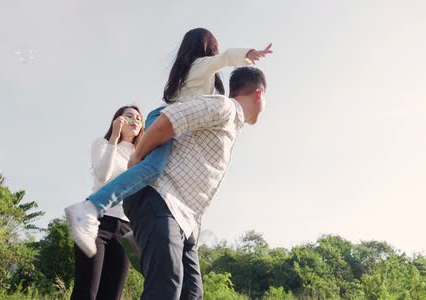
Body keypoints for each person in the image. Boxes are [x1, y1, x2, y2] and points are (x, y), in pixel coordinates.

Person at [65, 28, 272, 257]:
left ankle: (137, 233)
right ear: (207, 48)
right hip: (165, 119)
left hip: (169, 121)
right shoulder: (201, 65)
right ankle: (91, 207)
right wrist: (249, 54)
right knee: (153, 168)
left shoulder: (187, 71)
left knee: (157, 175)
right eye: (215, 48)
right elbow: (223, 59)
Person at [123, 66, 267, 299]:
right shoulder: (224, 107)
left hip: (187, 219)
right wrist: (137, 157)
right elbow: (169, 117)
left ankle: (145, 238)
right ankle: (146, 235)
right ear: (259, 94)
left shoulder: (231, 125)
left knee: (191, 294)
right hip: (161, 199)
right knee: (164, 290)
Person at [70, 106, 144, 300]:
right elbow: (103, 176)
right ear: (118, 120)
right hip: (96, 221)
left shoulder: (143, 158)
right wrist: (114, 137)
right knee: (87, 292)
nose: (134, 119)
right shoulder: (103, 144)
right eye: (129, 116)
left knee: (112, 294)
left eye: (138, 118)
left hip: (125, 229)